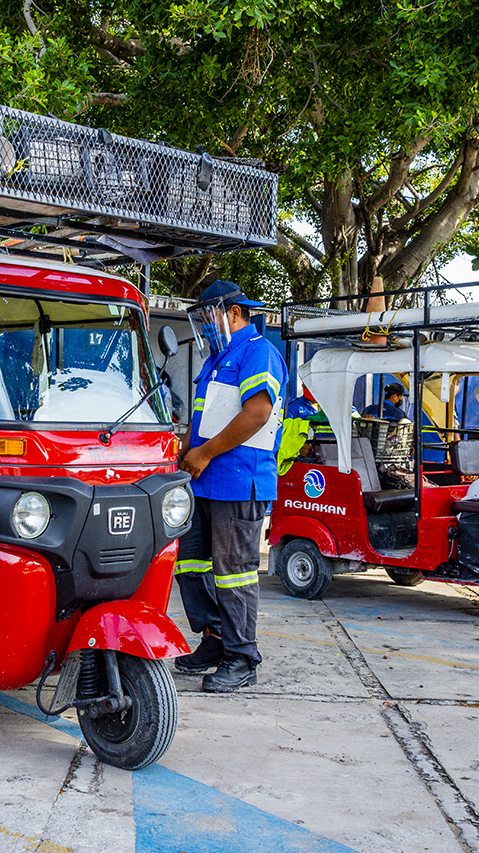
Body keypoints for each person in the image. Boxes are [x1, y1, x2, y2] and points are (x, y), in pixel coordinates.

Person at [174, 280, 287, 692]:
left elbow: (257, 413)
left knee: (234, 574)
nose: (205, 326)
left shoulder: (259, 352)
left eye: (208, 317)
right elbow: (200, 421)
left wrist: (203, 455)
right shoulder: (219, 358)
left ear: (233, 313)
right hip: (203, 483)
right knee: (191, 565)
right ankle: (216, 640)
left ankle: (243, 657)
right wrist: (184, 457)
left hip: (240, 482)